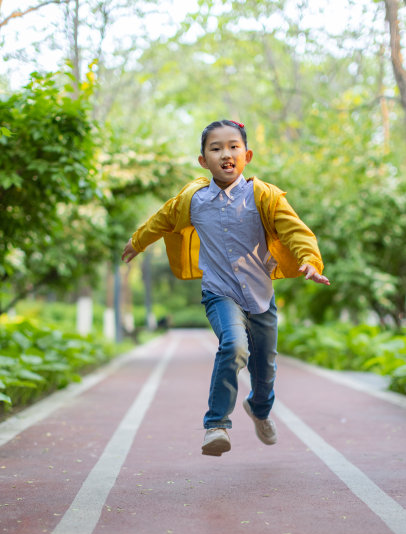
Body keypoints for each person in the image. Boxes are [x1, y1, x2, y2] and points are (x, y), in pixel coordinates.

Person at [122, 119, 330, 457]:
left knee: (265, 371)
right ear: (203, 160)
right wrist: (138, 241)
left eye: (233, 147)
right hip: (219, 292)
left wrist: (309, 259)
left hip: (260, 297)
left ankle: (259, 409)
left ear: (246, 154)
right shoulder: (194, 200)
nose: (225, 154)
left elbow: (295, 231)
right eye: (215, 148)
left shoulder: (264, 196)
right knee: (233, 346)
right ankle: (216, 424)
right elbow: (162, 218)